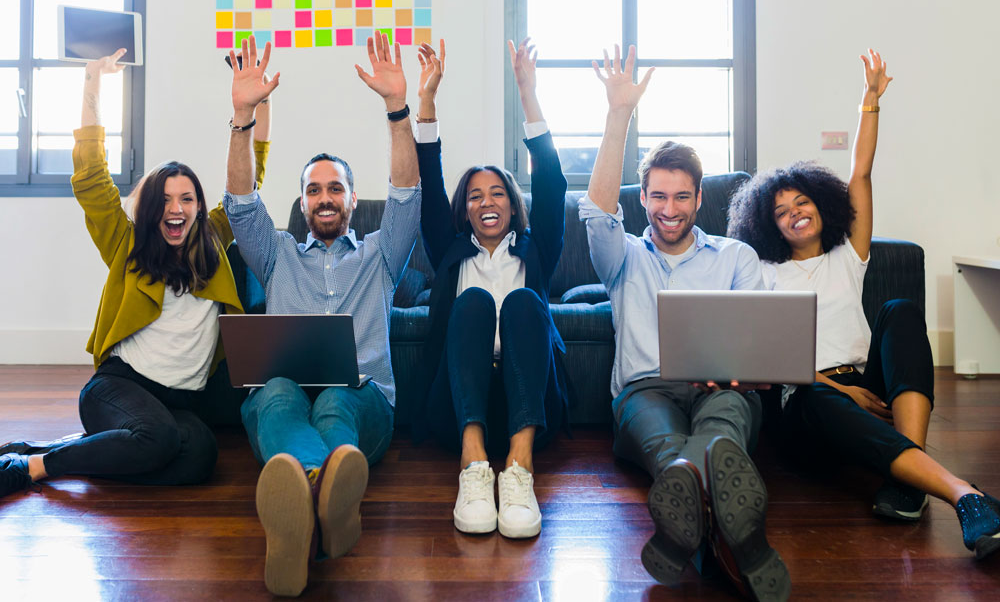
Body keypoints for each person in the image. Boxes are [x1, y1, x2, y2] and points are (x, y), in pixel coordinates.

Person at [727, 49, 1000, 560]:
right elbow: (770, 363)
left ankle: (909, 476)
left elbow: (861, 174)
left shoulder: (847, 255)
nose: (795, 214)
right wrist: (841, 393)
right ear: (769, 225)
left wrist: (869, 102)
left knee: (899, 308)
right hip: (804, 398)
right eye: (782, 212)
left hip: (862, 381)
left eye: (802, 202)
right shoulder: (761, 273)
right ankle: (964, 493)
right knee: (809, 396)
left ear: (821, 205)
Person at [0, 46, 274, 498]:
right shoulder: (127, 245)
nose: (176, 208)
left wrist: (256, 104)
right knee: (159, 441)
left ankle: (75, 451)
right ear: (150, 209)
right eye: (165, 199)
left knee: (201, 456)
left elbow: (251, 177)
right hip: (118, 388)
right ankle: (34, 467)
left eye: (187, 198)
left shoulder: (213, 237)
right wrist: (93, 83)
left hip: (180, 400)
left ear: (200, 207)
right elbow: (91, 179)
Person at [579, 44, 790, 600]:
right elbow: (596, 213)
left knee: (722, 431)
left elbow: (764, 345)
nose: (668, 209)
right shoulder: (622, 256)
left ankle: (691, 520)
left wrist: (743, 372)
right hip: (644, 391)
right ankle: (737, 540)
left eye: (681, 197)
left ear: (700, 199)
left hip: (722, 386)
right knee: (666, 442)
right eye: (656, 196)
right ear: (642, 196)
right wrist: (618, 113)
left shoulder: (735, 257)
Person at [223, 33, 420, 597]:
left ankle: (301, 499)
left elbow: (408, 192)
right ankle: (324, 491)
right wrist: (243, 116)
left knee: (337, 395)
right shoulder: (276, 251)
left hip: (363, 401)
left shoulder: (382, 254)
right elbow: (240, 202)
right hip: (285, 394)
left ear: (354, 200)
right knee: (278, 389)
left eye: (336, 188)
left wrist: (396, 110)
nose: (325, 197)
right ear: (303, 202)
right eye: (314, 190)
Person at [413, 38, 569, 539]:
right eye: (475, 195)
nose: (487, 201)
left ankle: (519, 470)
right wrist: (428, 101)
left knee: (524, 301)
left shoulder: (537, 248)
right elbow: (430, 183)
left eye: (497, 192)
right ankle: (475, 468)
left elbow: (554, 186)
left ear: (512, 203)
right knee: (476, 300)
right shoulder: (450, 249)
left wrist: (528, 93)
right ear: (464, 211)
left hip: (529, 401)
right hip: (460, 404)